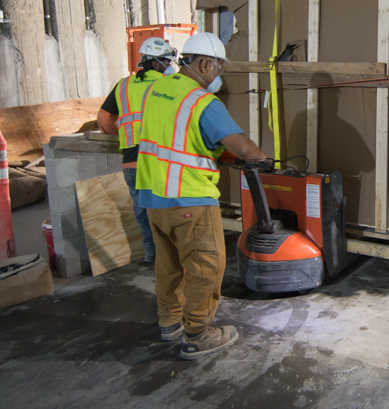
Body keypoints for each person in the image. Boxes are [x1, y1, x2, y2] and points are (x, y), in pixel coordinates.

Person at [135, 31, 269, 360]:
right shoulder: (201, 101)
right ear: (204, 63)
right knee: (206, 265)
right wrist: (260, 158)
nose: (218, 75)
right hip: (190, 199)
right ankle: (197, 333)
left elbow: (177, 139)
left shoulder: (157, 90)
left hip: (153, 197)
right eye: (218, 68)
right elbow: (240, 145)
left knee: (169, 265)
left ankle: (170, 323)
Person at [97, 37, 176, 264]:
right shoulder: (167, 85)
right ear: (156, 63)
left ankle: (151, 253)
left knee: (142, 208)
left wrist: (121, 133)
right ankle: (170, 255)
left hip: (132, 160)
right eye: (167, 61)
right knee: (166, 207)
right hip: (160, 159)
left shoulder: (123, 85)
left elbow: (103, 119)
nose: (169, 66)